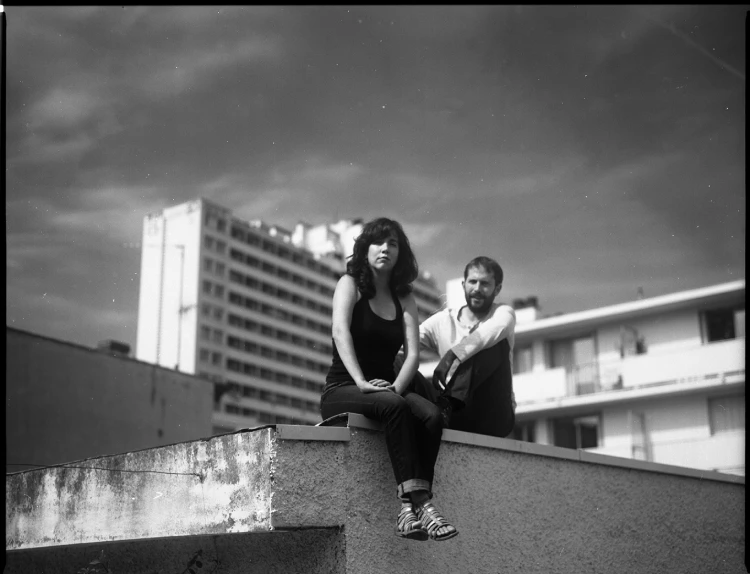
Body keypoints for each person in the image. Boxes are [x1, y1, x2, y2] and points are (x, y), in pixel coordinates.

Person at [320, 217, 458, 542]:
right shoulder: (350, 284)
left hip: (387, 390)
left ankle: (408, 512)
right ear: (364, 249)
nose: (385, 248)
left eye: (392, 243)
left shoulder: (404, 297)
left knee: (431, 415)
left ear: (401, 252)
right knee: (395, 406)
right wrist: (362, 382)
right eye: (378, 242)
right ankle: (420, 503)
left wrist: (396, 387)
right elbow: (340, 334)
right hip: (343, 388)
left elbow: (412, 354)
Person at [413, 256, 517, 438]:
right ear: (463, 285)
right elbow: (406, 344)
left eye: (484, 283)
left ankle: (448, 402)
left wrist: (453, 354)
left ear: (497, 288)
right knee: (403, 364)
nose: (477, 289)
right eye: (472, 282)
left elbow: (490, 332)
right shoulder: (443, 320)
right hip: (451, 415)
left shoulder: (503, 314)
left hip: (493, 415)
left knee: (493, 344)